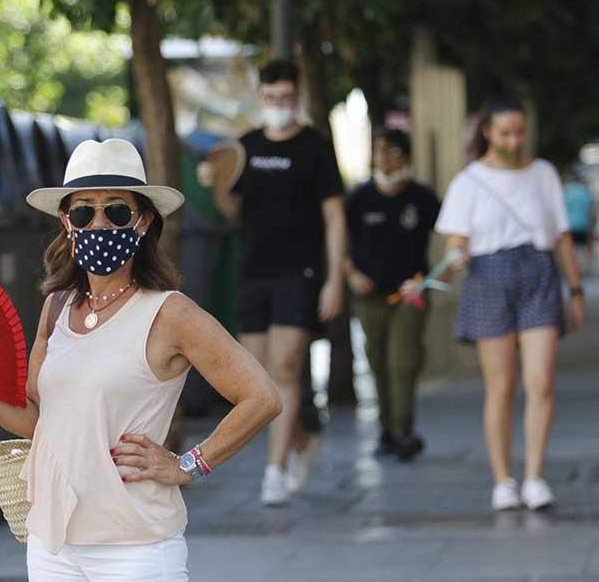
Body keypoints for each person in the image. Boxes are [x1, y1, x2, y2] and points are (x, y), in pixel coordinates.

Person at [0, 139, 282, 581]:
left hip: (137, 550)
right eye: (83, 211)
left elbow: (262, 397)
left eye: (115, 210)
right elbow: (41, 421)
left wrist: (188, 464)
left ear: (143, 221)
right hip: (52, 545)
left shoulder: (171, 314)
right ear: (66, 222)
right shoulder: (57, 305)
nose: (98, 223)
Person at [435, 96, 586, 511]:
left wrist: (575, 292)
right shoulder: (469, 182)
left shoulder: (542, 174)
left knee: (541, 382)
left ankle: (535, 477)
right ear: (488, 132)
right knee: (500, 387)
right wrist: (453, 260)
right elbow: (454, 246)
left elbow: (562, 238)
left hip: (538, 274)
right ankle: (503, 480)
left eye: (519, 131)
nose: (514, 139)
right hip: (488, 279)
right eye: (505, 132)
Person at [208, 59, 347, 505]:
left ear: (298, 97)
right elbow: (231, 213)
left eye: (286, 98)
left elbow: (334, 217)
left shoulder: (315, 148)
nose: (279, 106)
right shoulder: (245, 147)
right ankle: (301, 442)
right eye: (271, 99)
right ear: (260, 98)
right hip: (253, 272)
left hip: (300, 273)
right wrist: (218, 187)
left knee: (285, 367)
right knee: (256, 380)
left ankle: (274, 470)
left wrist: (333, 280)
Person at [345, 128, 440, 461]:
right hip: (369, 297)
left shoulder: (422, 198)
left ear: (406, 157)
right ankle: (386, 431)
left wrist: (432, 278)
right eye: (379, 151)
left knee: (404, 361)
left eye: (392, 151)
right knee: (378, 362)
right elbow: (339, 241)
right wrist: (350, 274)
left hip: (410, 295)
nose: (384, 158)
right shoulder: (359, 198)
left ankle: (404, 430)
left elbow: (449, 234)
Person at [563, 172, 595, 272]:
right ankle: (586, 266)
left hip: (569, 226)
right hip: (584, 225)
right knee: (587, 245)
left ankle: (570, 267)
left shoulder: (566, 190)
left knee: (569, 247)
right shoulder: (586, 191)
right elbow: (592, 211)